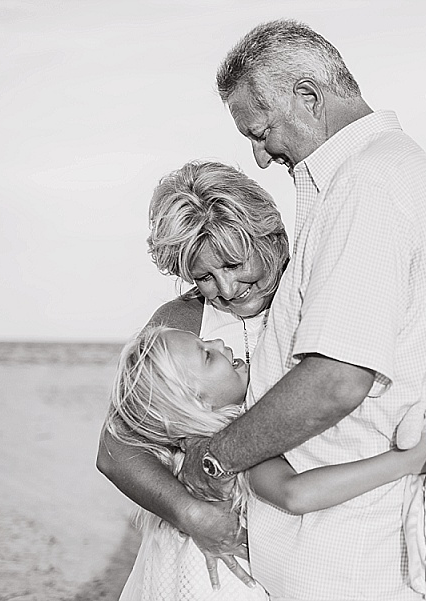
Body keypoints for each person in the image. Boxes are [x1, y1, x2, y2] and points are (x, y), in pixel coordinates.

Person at [175, 19, 426, 601]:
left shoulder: (368, 186)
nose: (258, 157)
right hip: (365, 545)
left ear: (309, 96)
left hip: (361, 557)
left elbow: (337, 379)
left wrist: (216, 458)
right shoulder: (389, 171)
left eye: (261, 130)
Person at [106, 325, 426, 600]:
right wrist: (405, 461)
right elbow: (295, 494)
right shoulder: (226, 449)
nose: (220, 342)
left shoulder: (179, 458)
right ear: (196, 402)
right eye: (207, 354)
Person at [96, 160, 290, 588]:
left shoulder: (309, 294)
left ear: (269, 236)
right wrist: (193, 514)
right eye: (204, 275)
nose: (226, 288)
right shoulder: (180, 323)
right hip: (208, 563)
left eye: (237, 264)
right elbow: (115, 449)